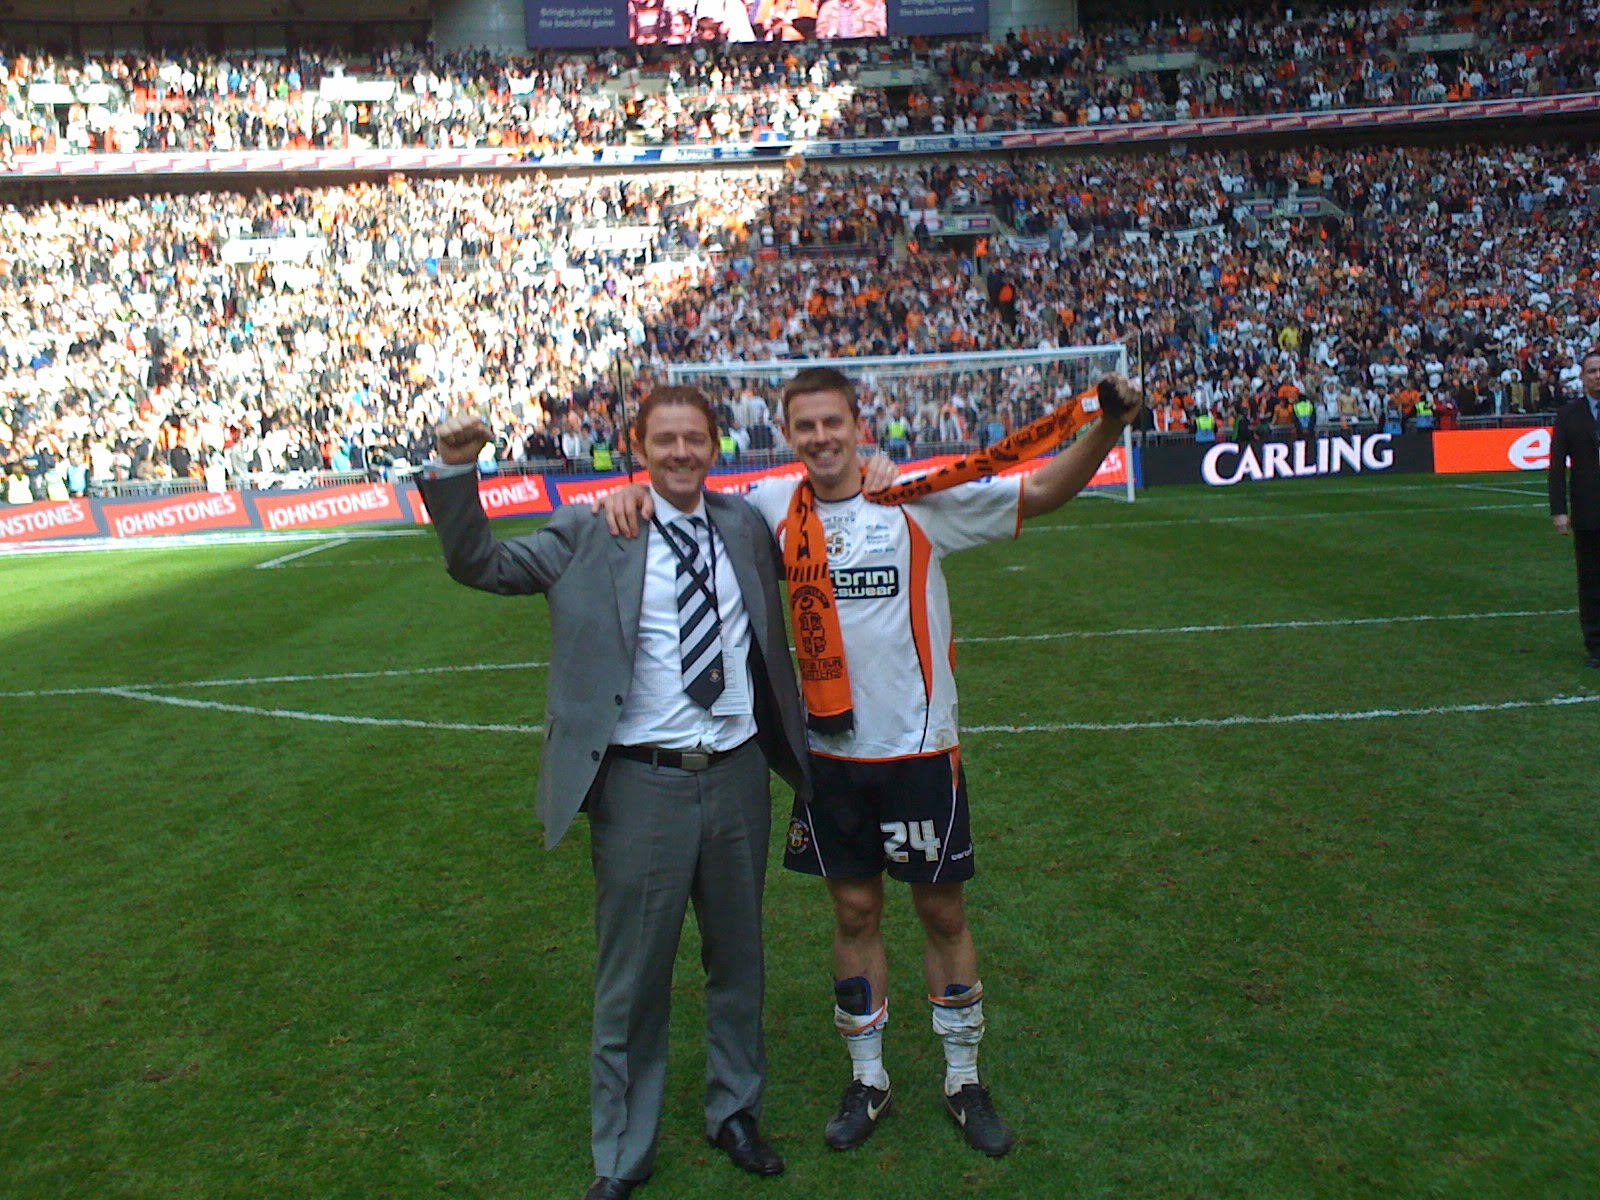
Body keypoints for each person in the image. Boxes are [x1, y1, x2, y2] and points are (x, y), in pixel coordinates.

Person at [602, 366, 1143, 1159]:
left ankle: (964, 1079)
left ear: (861, 425)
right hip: (829, 760)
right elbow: (685, 506)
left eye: (833, 422)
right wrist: (631, 492)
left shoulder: (915, 502)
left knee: (942, 915)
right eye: (805, 427)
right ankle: (869, 1079)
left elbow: (1043, 493)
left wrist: (1107, 427)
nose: (820, 437)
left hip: (920, 752)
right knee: (853, 917)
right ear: (787, 437)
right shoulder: (768, 511)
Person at [417, 386, 811, 1200]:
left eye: (694, 439)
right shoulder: (593, 527)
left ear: (714, 446)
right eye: (664, 440)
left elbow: (824, 520)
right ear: (639, 445)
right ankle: (623, 1152)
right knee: (633, 978)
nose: (679, 453)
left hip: (737, 776)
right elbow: (478, 564)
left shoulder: (742, 525)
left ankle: (735, 1110)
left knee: (740, 961)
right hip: (642, 787)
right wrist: (457, 469)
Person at [1548, 347, 1600, 669]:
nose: (1597, 376)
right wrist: (1559, 510)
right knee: (1592, 580)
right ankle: (1595, 644)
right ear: (1582, 378)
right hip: (1588, 509)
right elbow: (1556, 466)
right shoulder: (1569, 415)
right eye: (1592, 372)